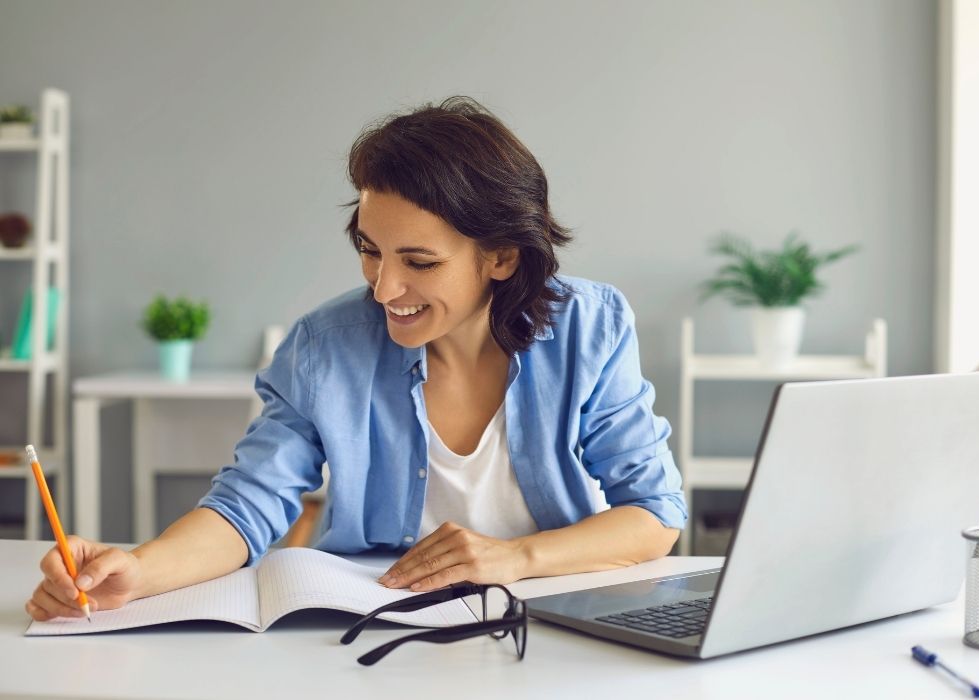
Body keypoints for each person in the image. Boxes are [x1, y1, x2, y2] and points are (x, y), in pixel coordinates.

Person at [26, 96, 687, 622]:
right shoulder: (325, 346)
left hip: (544, 622)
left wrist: (513, 558)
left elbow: (656, 514)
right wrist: (138, 570)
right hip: (370, 627)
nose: (383, 288)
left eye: (418, 261)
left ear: (502, 257)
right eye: (370, 248)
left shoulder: (587, 327)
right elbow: (246, 506)